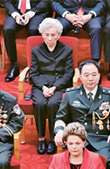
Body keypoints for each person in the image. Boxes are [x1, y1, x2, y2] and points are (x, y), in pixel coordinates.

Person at [54, 60, 110, 164]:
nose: (90, 78)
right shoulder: (71, 95)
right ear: (80, 77)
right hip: (77, 140)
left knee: (103, 162)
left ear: (99, 76)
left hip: (101, 140)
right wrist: (59, 131)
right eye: (86, 75)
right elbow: (60, 118)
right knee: (75, 163)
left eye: (94, 74)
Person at [29, 18, 75, 156]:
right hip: (40, 85)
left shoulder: (66, 50)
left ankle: (54, 139)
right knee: (40, 103)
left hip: (59, 85)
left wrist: (54, 87)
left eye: (53, 35)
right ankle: (41, 138)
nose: (49, 38)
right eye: (46, 34)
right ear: (42, 34)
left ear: (59, 35)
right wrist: (43, 87)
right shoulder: (36, 50)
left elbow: (68, 74)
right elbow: (33, 74)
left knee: (53, 103)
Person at [3, 0, 52, 82]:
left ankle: (33, 66)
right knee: (8, 29)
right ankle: (14, 65)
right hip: (16, 11)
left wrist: (30, 14)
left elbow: (45, 1)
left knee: (34, 29)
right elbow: (7, 1)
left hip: (36, 11)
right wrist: (15, 14)